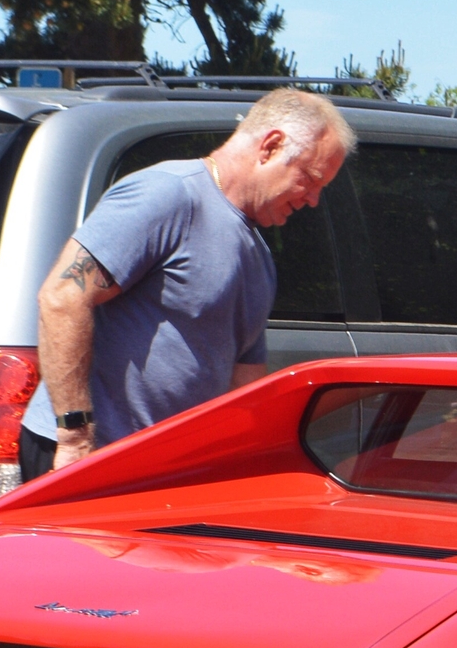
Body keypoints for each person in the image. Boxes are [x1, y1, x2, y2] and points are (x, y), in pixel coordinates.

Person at [22, 89, 355, 474]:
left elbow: (242, 392)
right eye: (311, 179)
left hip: (161, 472)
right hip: (85, 460)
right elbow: (62, 297)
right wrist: (75, 439)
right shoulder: (169, 194)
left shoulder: (258, 257)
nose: (314, 200)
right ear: (271, 146)